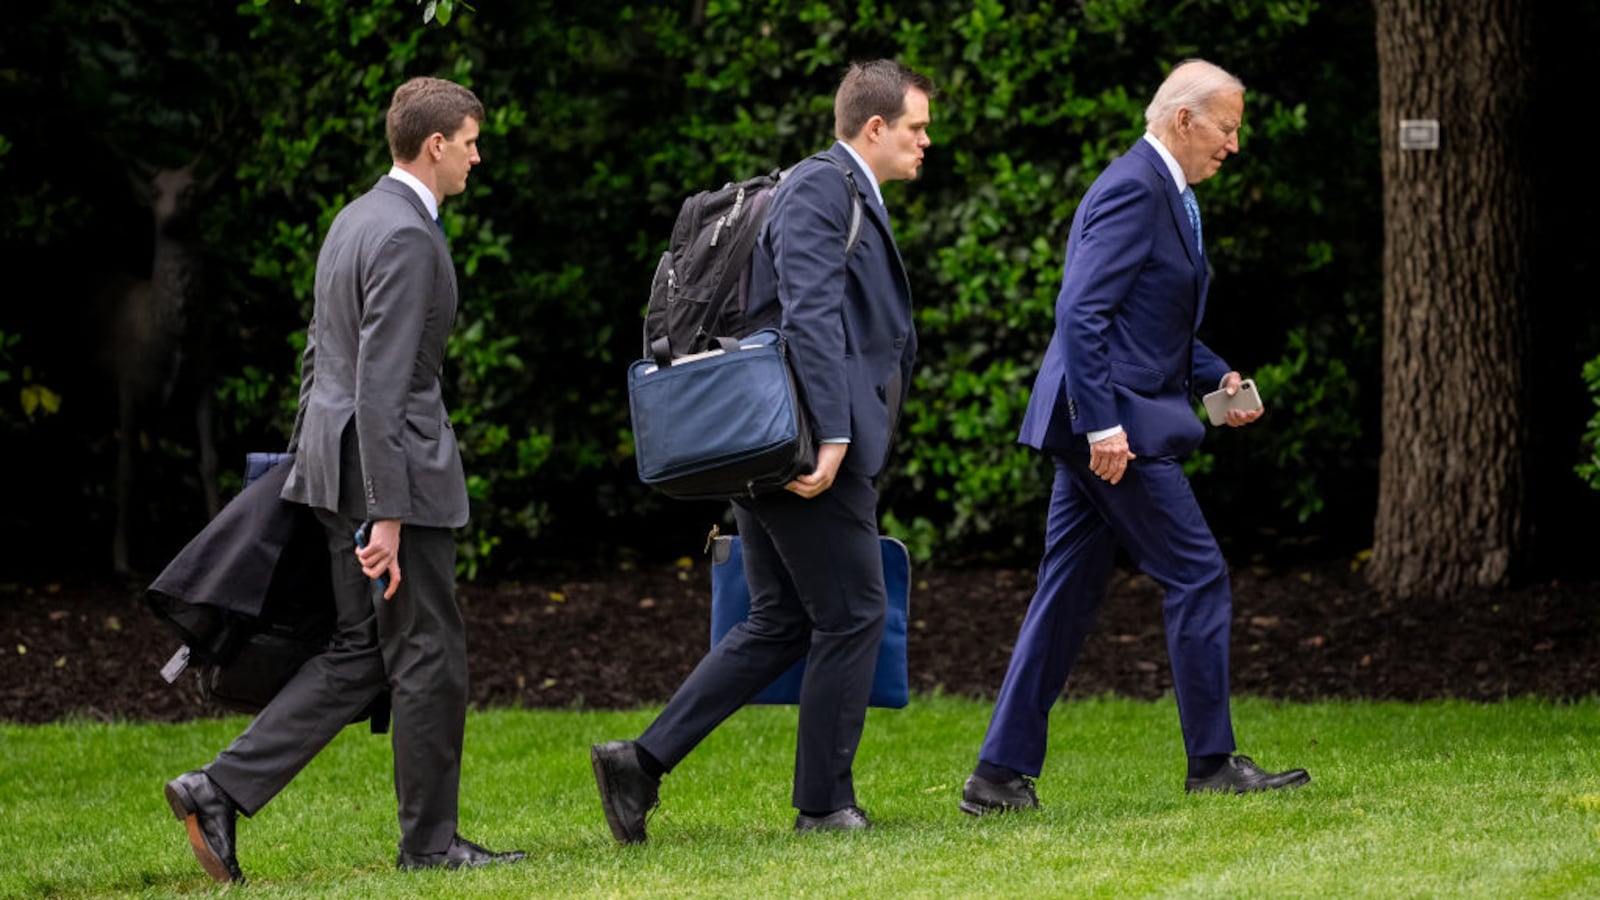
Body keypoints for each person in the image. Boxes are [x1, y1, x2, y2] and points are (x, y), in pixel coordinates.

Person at [161, 76, 526, 882]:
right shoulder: (404, 236)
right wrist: (386, 512)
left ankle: (216, 790)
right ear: (435, 144)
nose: (477, 156)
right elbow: (383, 383)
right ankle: (430, 847)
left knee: (364, 650)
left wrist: (310, 465)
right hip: (388, 480)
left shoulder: (355, 219)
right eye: (470, 141)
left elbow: (319, 358)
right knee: (429, 653)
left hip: (338, 470)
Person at [591, 59, 935, 842]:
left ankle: (637, 765)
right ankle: (824, 805)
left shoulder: (836, 191)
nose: (925, 143)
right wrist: (836, 437)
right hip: (805, 444)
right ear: (873, 128)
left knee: (780, 619)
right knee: (852, 614)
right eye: (916, 128)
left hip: (776, 436)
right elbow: (811, 313)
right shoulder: (822, 188)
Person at [959, 59, 1310, 816]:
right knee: (1198, 573)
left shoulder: (1169, 191)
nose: (1234, 145)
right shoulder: (1132, 187)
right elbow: (1081, 313)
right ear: (1183, 120)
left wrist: (1216, 378)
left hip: (1105, 420)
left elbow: (1152, 321)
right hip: (1111, 429)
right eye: (1227, 127)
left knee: (1066, 595)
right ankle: (1212, 762)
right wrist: (1104, 427)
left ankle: (996, 776)